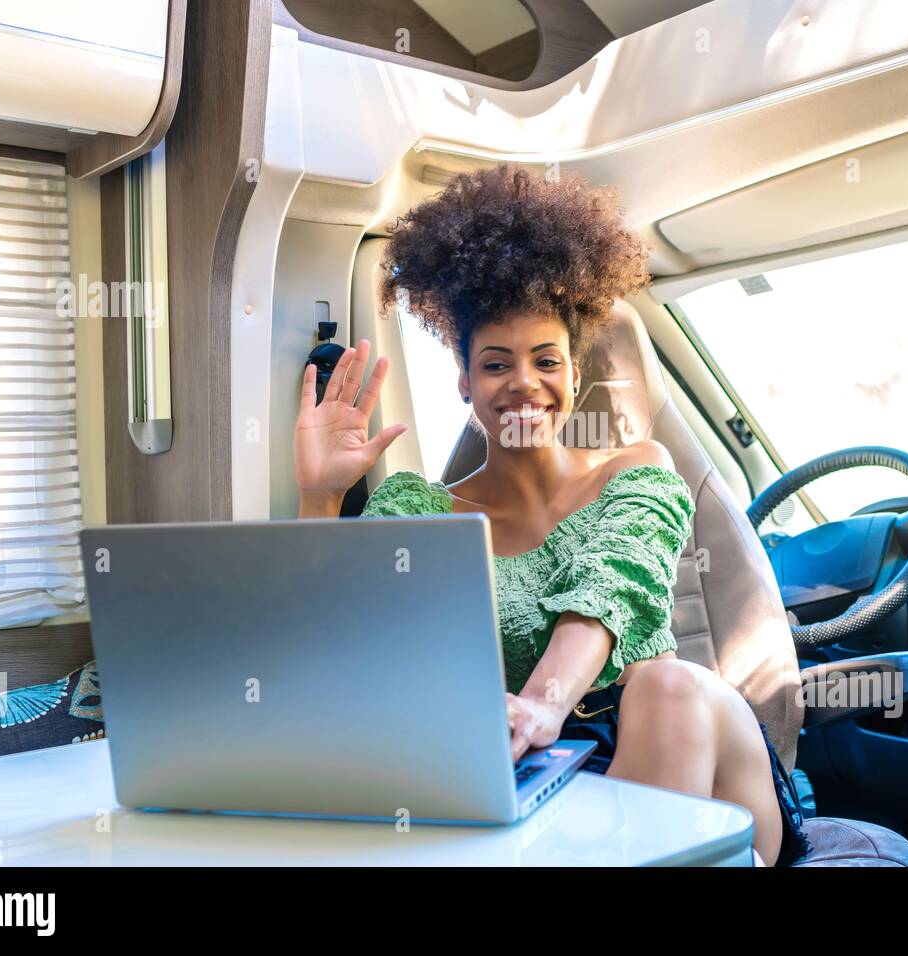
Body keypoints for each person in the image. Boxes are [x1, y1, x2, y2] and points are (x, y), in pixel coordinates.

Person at [292, 164, 810, 866]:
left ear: (573, 371)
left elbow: (604, 595)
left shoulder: (639, 470)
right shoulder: (420, 509)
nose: (524, 384)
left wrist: (541, 704)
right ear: (465, 381)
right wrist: (321, 498)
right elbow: (341, 643)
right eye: (498, 364)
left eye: (546, 360)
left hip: (688, 772)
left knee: (668, 682)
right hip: (532, 789)